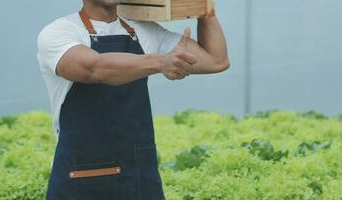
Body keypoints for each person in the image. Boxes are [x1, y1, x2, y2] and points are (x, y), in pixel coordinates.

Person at [37, 0, 229, 199]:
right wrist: (159, 61)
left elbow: (216, 60)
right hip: (81, 179)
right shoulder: (59, 32)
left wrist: (205, 8)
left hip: (140, 178)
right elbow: (94, 68)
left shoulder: (144, 30)